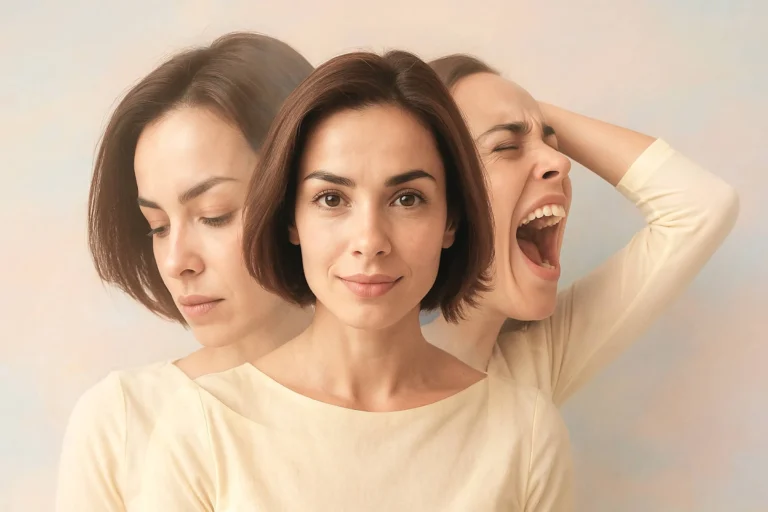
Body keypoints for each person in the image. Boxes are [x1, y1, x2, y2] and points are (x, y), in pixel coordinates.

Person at [137, 50, 573, 511]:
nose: (370, 241)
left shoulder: (522, 435)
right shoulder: (203, 426)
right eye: (331, 198)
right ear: (290, 218)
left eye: (407, 198)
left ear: (452, 221)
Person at [55, 32, 314, 511]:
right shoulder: (122, 420)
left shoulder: (425, 395)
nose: (177, 262)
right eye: (156, 226)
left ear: (305, 195)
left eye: (214, 214)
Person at [422, 55, 740, 405]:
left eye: (553, 145)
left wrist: (521, 108)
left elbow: (702, 206)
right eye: (506, 146)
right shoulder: (364, 382)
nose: (561, 162)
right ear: (442, 204)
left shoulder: (533, 366)